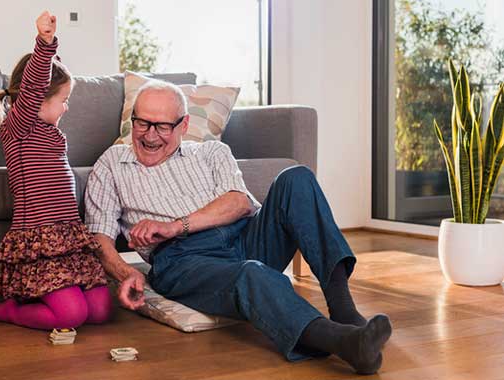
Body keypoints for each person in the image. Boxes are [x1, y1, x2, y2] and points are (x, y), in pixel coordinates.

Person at [85, 80, 392, 374]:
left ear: (184, 125)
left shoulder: (210, 152)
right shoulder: (112, 164)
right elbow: (99, 235)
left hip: (243, 235)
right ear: (133, 121)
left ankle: (343, 309)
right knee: (252, 272)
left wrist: (175, 226)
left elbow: (239, 204)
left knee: (296, 178)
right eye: (142, 123)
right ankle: (346, 343)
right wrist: (128, 273)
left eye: (163, 126)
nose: (150, 135)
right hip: (184, 260)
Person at [0, 10, 111, 330]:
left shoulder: (47, 130)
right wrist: (45, 44)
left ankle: (55, 299)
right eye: (64, 99)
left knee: (100, 312)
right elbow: (33, 86)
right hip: (40, 242)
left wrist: (54, 58)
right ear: (36, 101)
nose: (66, 106)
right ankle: (12, 311)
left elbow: (41, 87)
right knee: (71, 316)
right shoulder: (20, 126)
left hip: (67, 237)